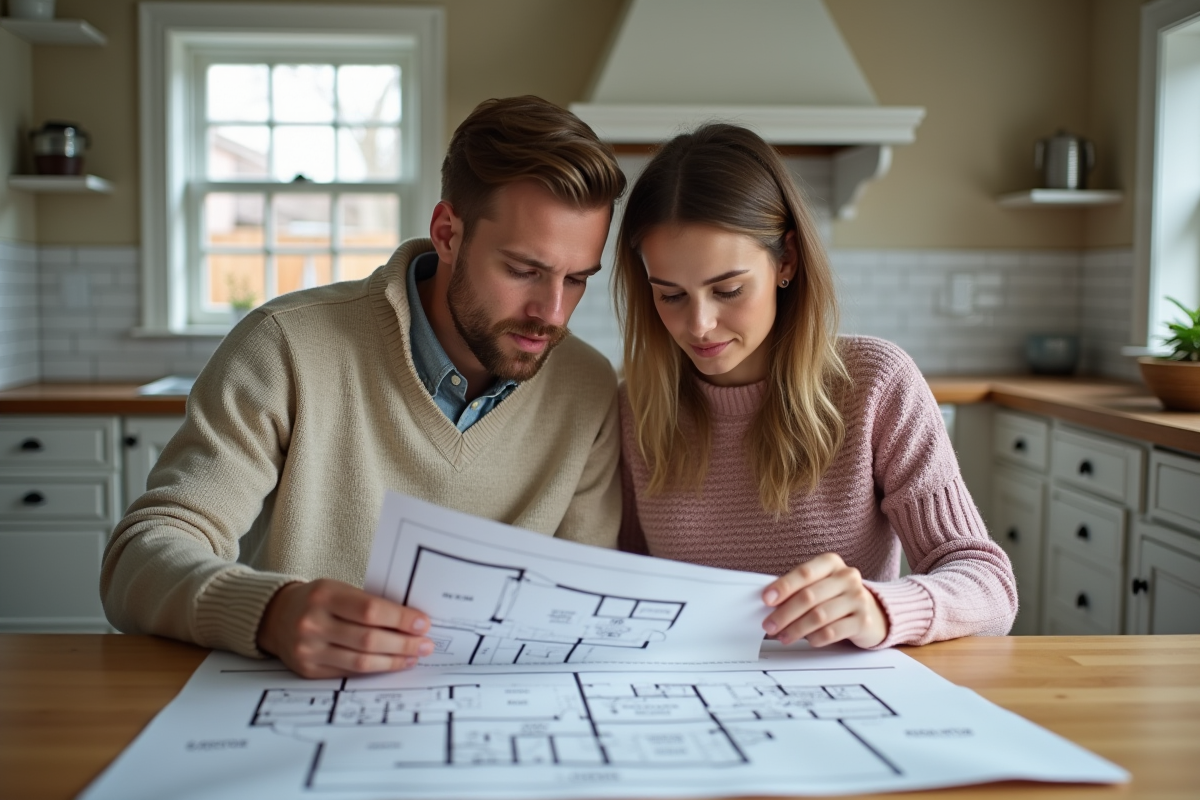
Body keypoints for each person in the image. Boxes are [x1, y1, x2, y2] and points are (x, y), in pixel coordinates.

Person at [102, 96, 627, 678]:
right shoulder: (286, 346)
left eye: (576, 279)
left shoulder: (588, 386)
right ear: (448, 234)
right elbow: (138, 559)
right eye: (525, 271)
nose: (551, 313)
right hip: (290, 708)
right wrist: (270, 613)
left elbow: (585, 595)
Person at [613, 123, 1016, 649]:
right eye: (670, 296)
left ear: (787, 260)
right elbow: (619, 583)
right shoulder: (634, 408)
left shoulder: (876, 382)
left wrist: (882, 608)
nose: (700, 325)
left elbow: (988, 584)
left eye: (728, 289)